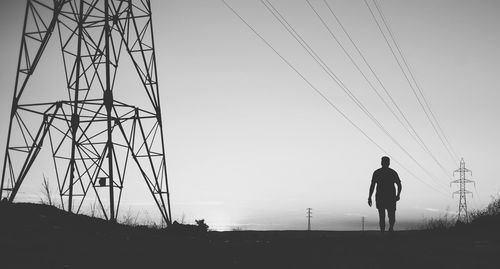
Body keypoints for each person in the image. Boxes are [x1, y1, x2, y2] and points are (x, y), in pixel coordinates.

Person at [368, 156, 402, 233]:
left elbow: (399, 185)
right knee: (385, 215)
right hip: (384, 197)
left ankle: (389, 229)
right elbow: (372, 185)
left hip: (388, 197)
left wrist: (398, 195)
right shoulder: (380, 172)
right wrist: (369, 197)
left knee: (388, 215)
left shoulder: (388, 172)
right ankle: (385, 231)